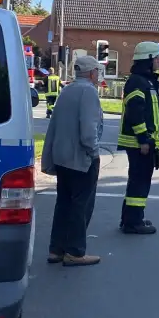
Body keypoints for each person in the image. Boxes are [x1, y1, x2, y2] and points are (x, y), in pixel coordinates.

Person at [41, 55, 105, 265]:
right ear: (92, 72)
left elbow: (55, 125)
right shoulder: (89, 92)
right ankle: (75, 251)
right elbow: (88, 130)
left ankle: (56, 249)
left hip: (62, 157)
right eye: (98, 71)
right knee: (81, 204)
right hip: (81, 158)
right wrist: (94, 151)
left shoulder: (67, 90)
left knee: (64, 203)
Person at [117, 41, 159, 235]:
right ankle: (133, 222)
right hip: (140, 143)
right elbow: (135, 113)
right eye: (157, 59)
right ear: (147, 60)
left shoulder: (147, 81)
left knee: (139, 180)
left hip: (147, 142)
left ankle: (131, 218)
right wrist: (143, 139)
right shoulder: (138, 81)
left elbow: (154, 115)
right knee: (139, 181)